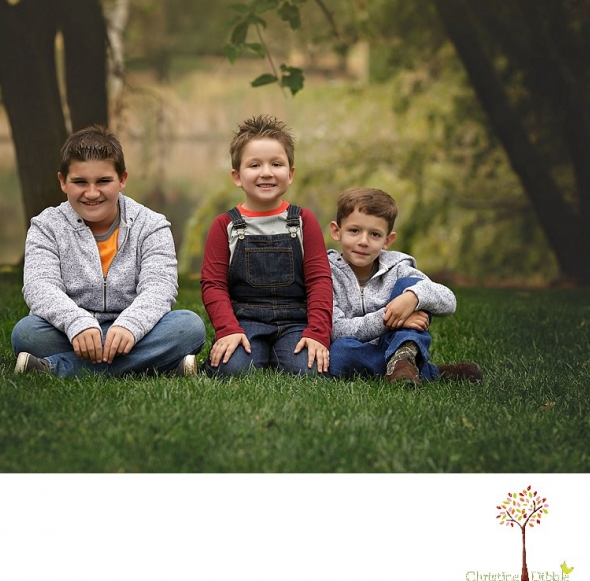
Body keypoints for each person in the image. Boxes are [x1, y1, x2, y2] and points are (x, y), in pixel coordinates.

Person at [11, 124, 206, 378]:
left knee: (189, 327)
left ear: (122, 179)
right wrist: (77, 324)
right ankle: (158, 365)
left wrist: (130, 325)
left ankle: (54, 368)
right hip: (70, 332)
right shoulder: (46, 226)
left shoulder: (152, 225)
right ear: (63, 182)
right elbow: (39, 287)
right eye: (80, 182)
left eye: (103, 181)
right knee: (26, 333)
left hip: (137, 331)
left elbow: (160, 288)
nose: (92, 193)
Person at [200, 114, 332, 376]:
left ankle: (281, 352)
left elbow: (320, 280)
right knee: (230, 369)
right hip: (245, 320)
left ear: (291, 173)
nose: (267, 173)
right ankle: (255, 352)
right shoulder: (224, 224)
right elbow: (213, 284)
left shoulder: (304, 221)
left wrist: (316, 333)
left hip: (295, 320)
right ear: (237, 176)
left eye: (276, 164)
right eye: (255, 165)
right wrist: (228, 329)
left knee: (311, 371)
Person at [327, 187, 482, 386]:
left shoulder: (398, 267)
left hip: (398, 340)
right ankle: (428, 372)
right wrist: (393, 318)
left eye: (375, 234)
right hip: (356, 348)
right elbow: (336, 329)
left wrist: (413, 298)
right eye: (354, 231)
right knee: (339, 354)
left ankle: (403, 359)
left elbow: (449, 300)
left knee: (411, 285)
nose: (363, 241)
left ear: (387, 240)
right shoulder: (326, 272)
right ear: (336, 231)